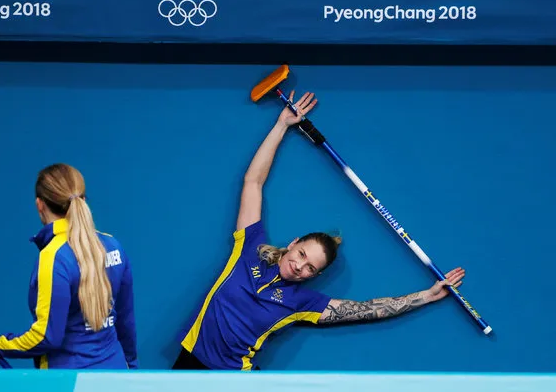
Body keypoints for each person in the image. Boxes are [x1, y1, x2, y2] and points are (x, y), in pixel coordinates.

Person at [172, 91, 466, 371]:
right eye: (301, 254)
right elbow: (253, 182)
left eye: (310, 267)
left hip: (235, 379)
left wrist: (426, 296)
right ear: (294, 243)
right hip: (188, 362)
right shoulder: (249, 249)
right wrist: (282, 125)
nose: (299, 266)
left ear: (316, 276)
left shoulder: (302, 302)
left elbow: (365, 309)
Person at [0, 163, 139, 369]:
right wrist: (131, 370)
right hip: (115, 374)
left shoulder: (54, 257)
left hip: (66, 380)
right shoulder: (113, 246)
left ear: (40, 205)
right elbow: (126, 323)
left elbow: (46, 336)